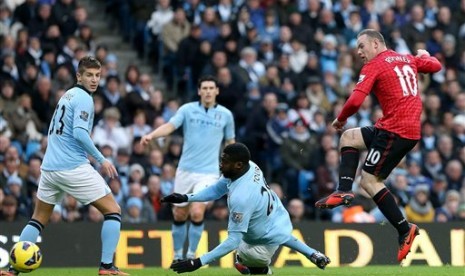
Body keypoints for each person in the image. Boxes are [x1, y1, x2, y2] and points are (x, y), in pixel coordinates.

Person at [314, 29, 442, 262]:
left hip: (396, 130)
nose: (359, 52)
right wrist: (425, 55)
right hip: (398, 128)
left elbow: (355, 101)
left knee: (370, 181)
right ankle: (343, 190)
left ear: (376, 43)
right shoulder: (407, 59)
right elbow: (436, 67)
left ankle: (404, 229)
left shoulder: (376, 65)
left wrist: (341, 119)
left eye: (362, 46)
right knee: (349, 138)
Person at [1, 56, 128, 276]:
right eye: (89, 75)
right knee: (113, 211)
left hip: (49, 168)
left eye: (98, 75)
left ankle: (12, 270)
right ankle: (107, 267)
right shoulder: (84, 98)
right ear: (79, 76)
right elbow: (79, 132)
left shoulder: (67, 95)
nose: (94, 80)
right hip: (72, 166)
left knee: (38, 218)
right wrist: (101, 159)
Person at [162, 143, 330, 274]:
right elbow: (217, 189)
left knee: (245, 260)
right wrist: (186, 197)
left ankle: (261, 269)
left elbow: (233, 241)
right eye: (222, 160)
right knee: (277, 235)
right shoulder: (250, 165)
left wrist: (198, 262)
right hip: (278, 217)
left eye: (225, 162)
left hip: (260, 240)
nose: (220, 165)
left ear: (238, 165)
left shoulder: (241, 198)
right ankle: (313, 254)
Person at [141, 75, 235, 263]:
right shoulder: (187, 110)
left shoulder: (226, 115)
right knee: (180, 213)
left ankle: (191, 255)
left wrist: (233, 165)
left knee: (198, 211)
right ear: (199, 91)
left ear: (217, 91)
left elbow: (230, 142)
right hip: (185, 170)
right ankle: (177, 255)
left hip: (208, 173)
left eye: (211, 88)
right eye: (205, 88)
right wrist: (152, 135)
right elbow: (170, 126)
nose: (208, 91)